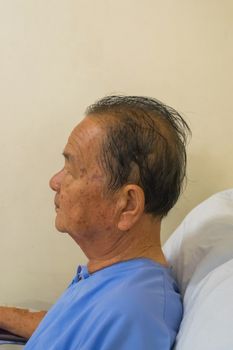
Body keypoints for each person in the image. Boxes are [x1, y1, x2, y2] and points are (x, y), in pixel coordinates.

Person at [0, 95, 190, 349]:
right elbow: (68, 327)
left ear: (128, 205)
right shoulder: (111, 279)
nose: (55, 182)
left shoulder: (133, 314)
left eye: (72, 170)